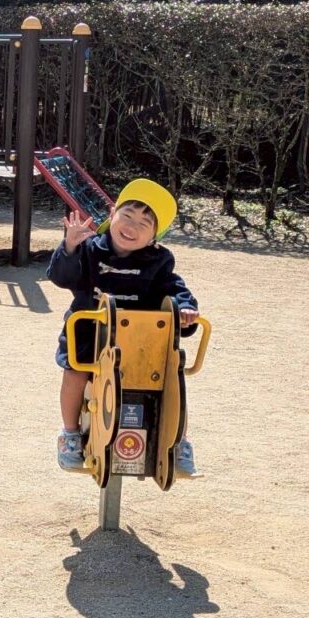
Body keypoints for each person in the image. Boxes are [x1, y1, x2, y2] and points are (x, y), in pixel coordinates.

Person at [47, 178, 200, 475]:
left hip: (137, 340)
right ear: (112, 214)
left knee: (172, 379)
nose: (132, 227)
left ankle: (178, 440)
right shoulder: (90, 249)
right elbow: (63, 277)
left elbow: (174, 288)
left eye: (145, 223)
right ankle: (70, 434)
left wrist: (184, 308)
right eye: (127, 215)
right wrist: (70, 246)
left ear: (155, 236)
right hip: (89, 335)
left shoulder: (159, 260)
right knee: (75, 374)